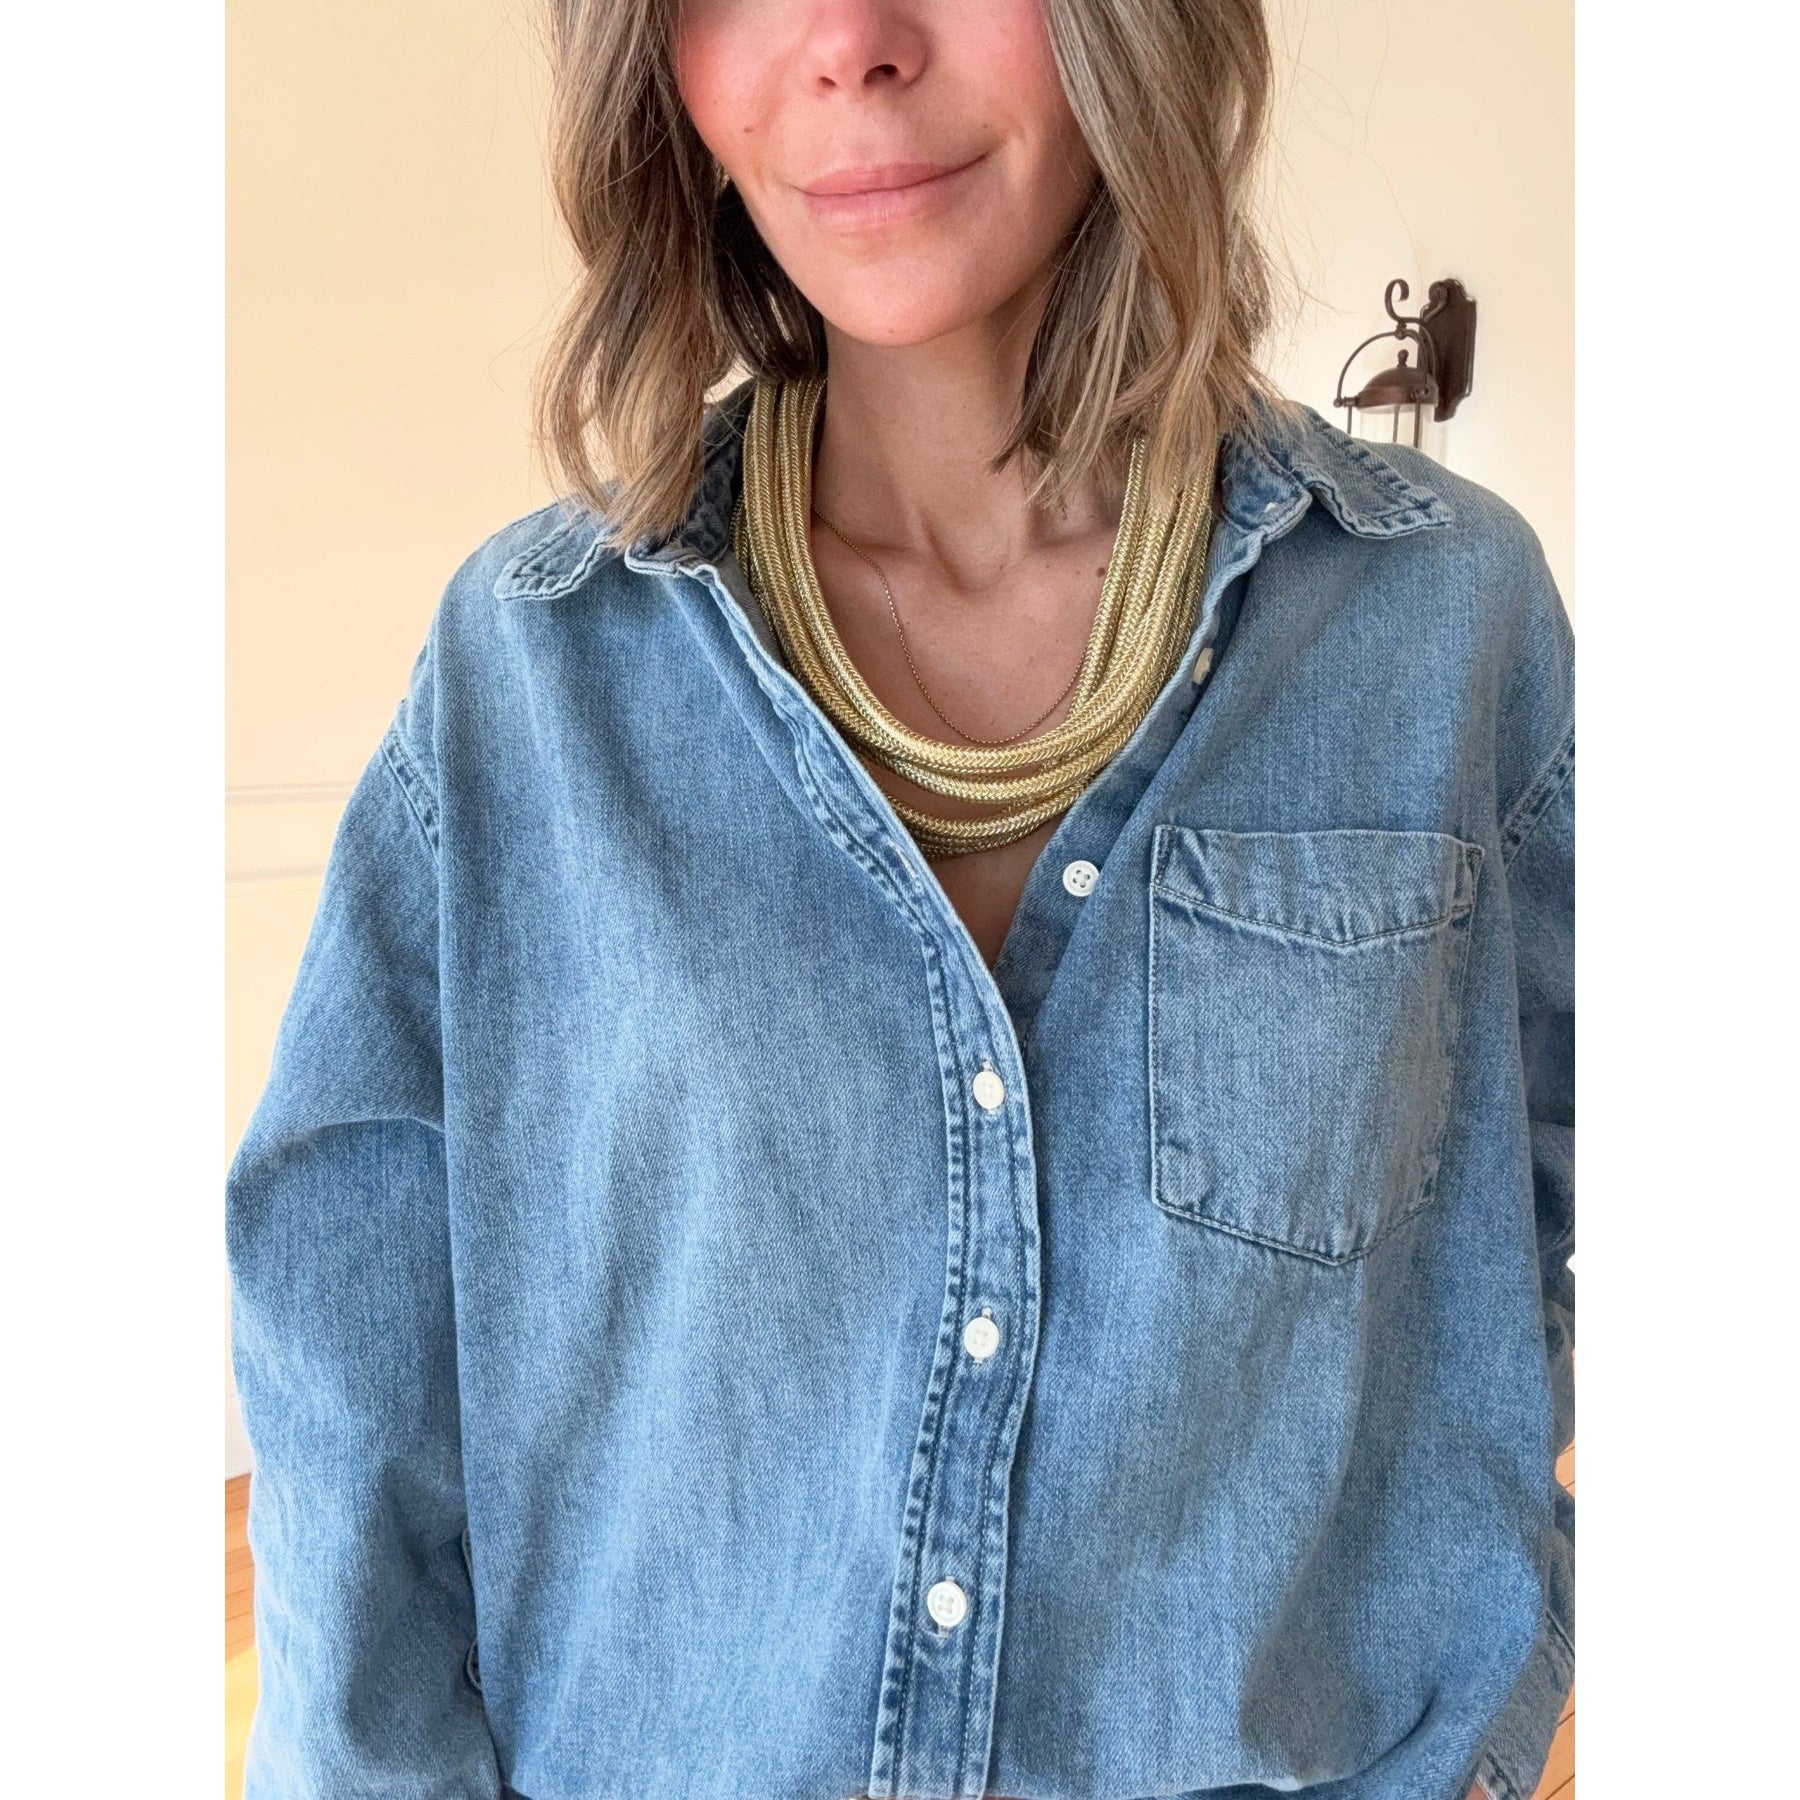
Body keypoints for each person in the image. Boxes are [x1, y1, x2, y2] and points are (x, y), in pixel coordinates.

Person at [225, 2, 1574, 1797]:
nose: (850, 41)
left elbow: (1533, 1238)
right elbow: (356, 1355)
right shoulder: (531, 675)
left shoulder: (1441, 623)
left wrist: (1484, 1728)